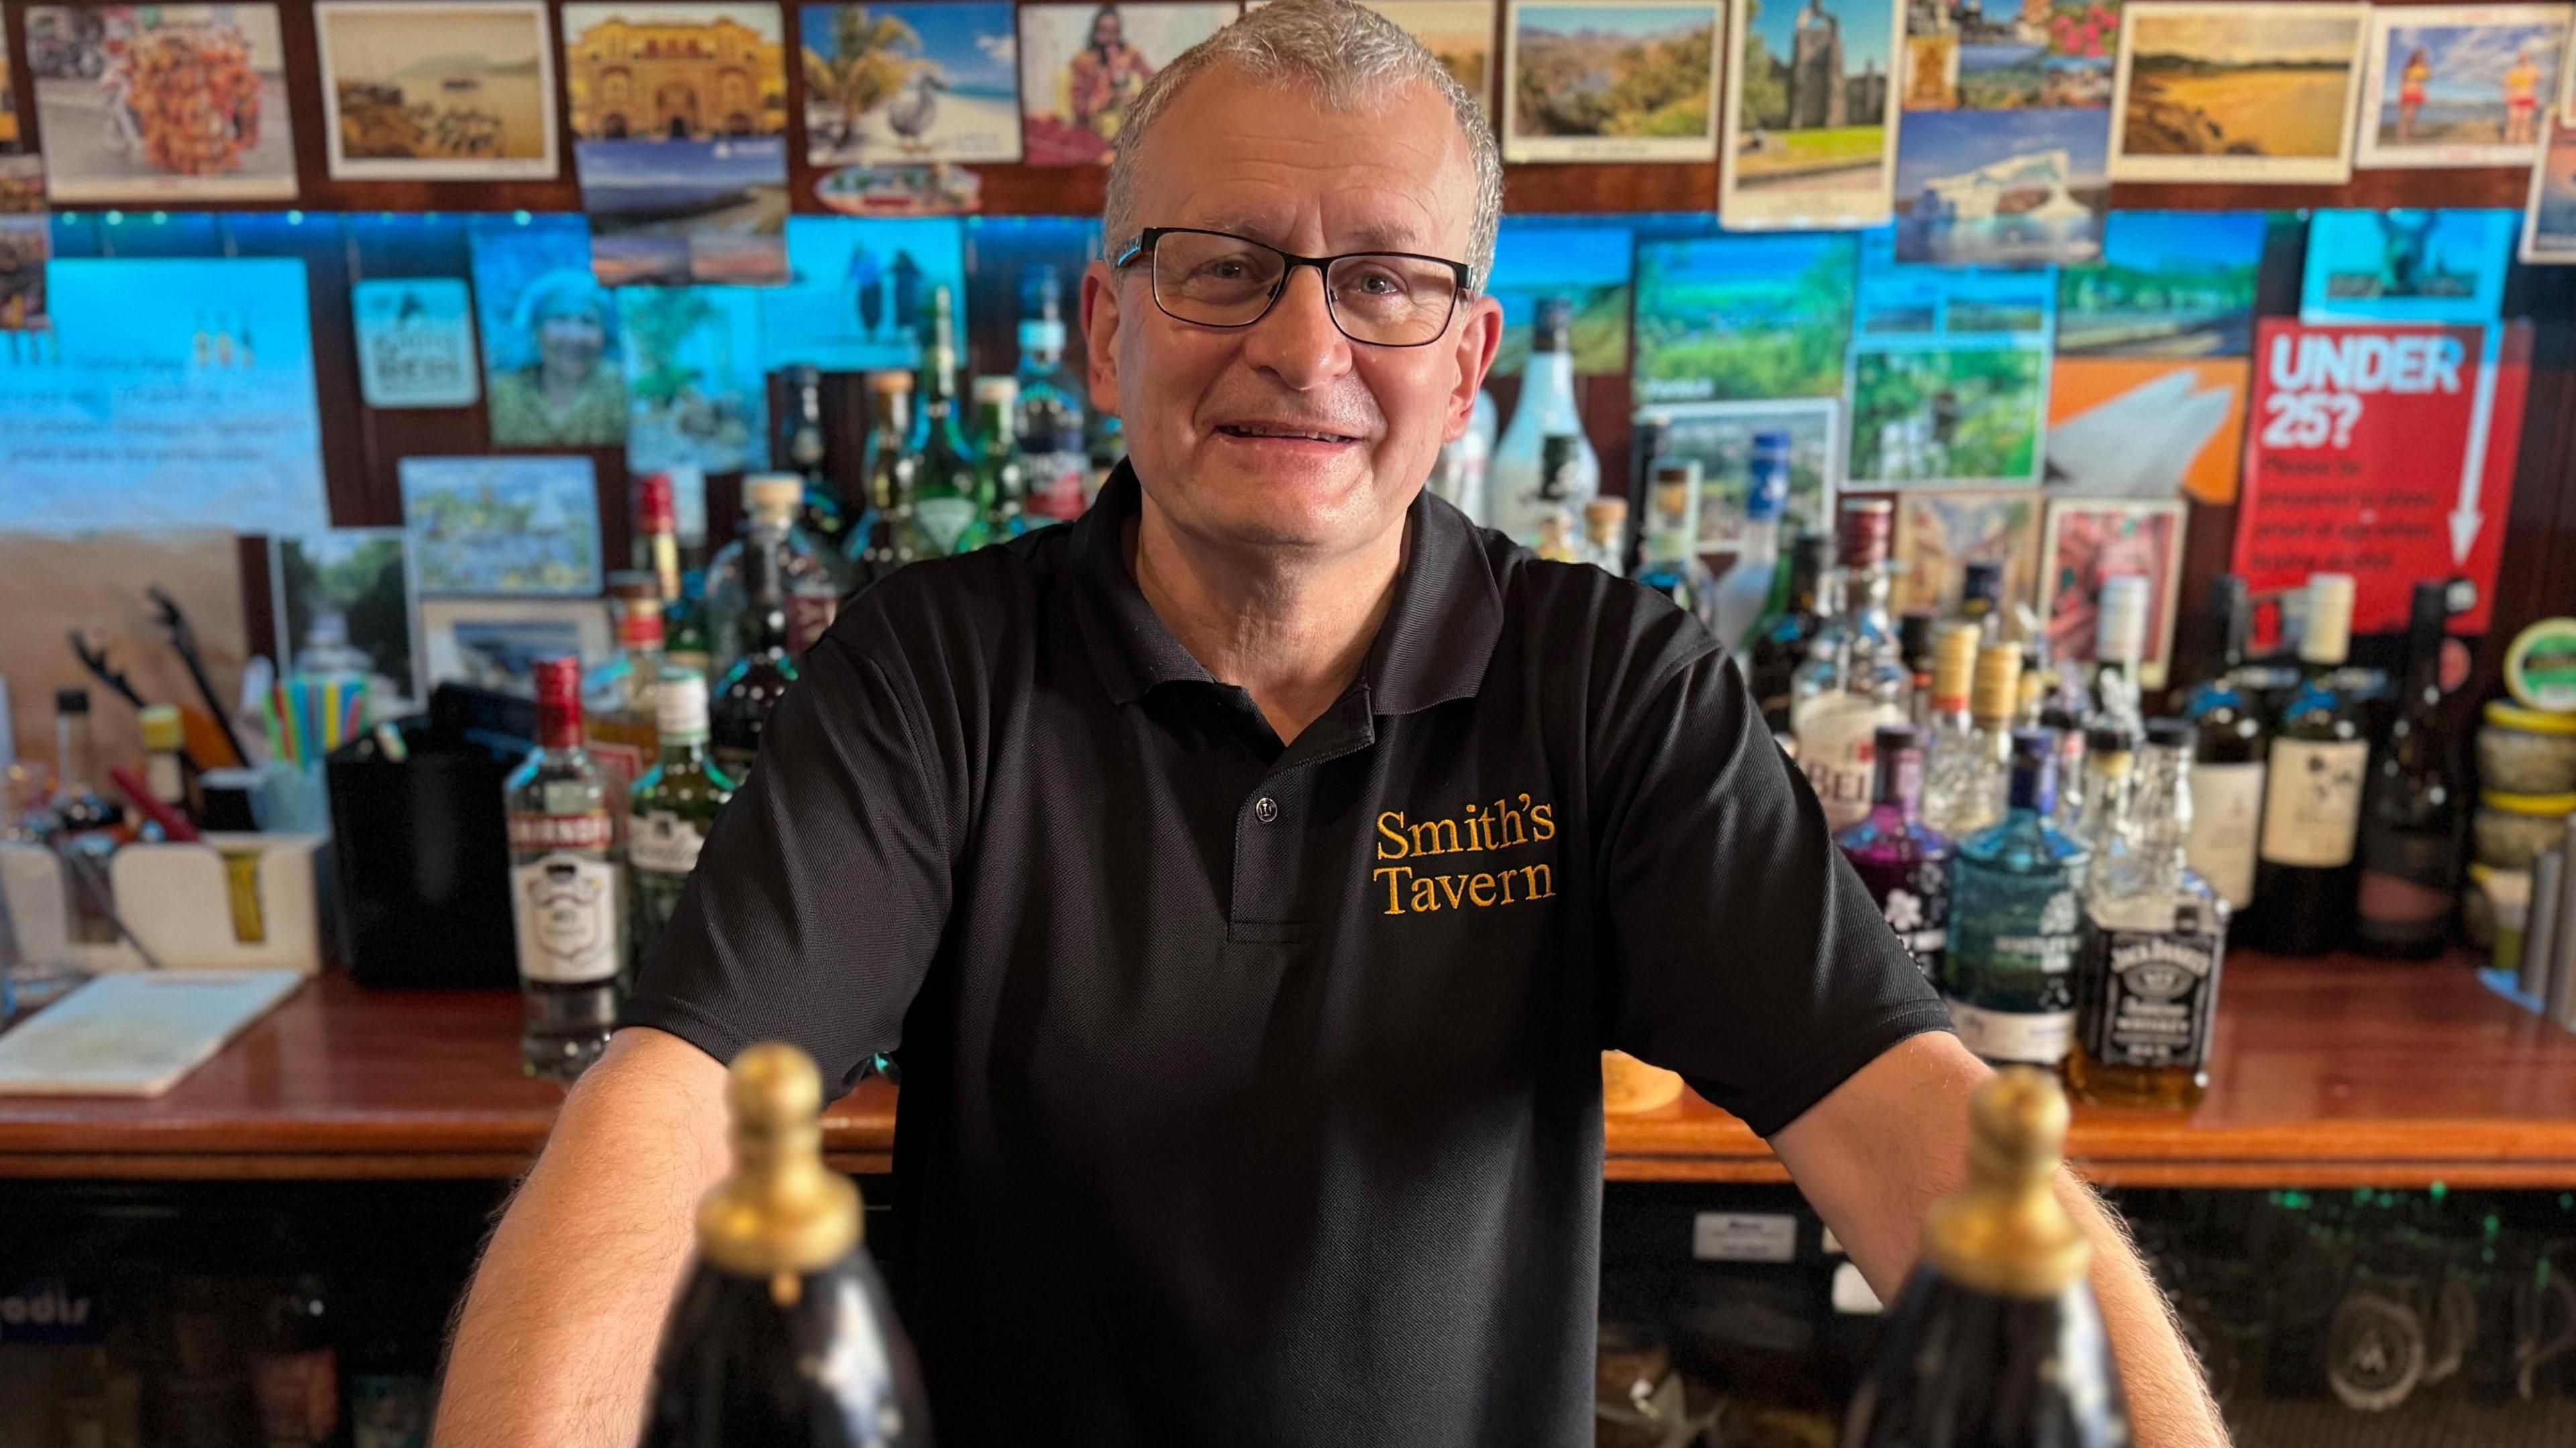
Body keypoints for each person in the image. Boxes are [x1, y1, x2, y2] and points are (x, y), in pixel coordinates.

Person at [435, 4, 2231, 1446]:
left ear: (1467, 362)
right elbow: (665, 1109)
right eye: (1224, 264)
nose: (1304, 345)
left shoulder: (1611, 683)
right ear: (1102, 328)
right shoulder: (934, 666)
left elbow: (1912, 1115)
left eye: (1385, 279)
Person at [484, 268, 628, 447]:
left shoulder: (625, 390)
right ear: (537, 331)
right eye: (560, 319)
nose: (575, 337)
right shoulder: (502, 394)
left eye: (587, 322)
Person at [1067, 4, 1153, 146]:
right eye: (1104, 31)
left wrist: (1135, 98)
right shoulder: (1084, 61)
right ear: (1094, 33)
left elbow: (1152, 81)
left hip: (1132, 120)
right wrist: (1106, 99)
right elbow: (1079, 107)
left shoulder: (1130, 55)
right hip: (1099, 126)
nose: (1109, 38)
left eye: (1114, 32)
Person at [2504, 45, 2542, 146]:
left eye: (2526, 57)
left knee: (2526, 121)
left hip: (2528, 98)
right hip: (2515, 98)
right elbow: (2506, 85)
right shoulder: (2513, 71)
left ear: (2528, 58)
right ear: (2519, 59)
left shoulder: (2533, 69)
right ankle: (2509, 141)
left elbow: (2538, 81)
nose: (2524, 59)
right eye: (2522, 57)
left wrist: (2534, 74)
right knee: (2513, 120)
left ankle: (2523, 141)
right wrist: (2507, 96)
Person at [2398, 46, 2430, 143]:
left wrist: (2424, 95)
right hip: (2408, 92)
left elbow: (2425, 79)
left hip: (2417, 93)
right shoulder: (2408, 68)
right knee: (2407, 116)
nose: (2421, 58)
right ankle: (2403, 137)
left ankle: (2408, 136)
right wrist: (2401, 94)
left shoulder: (2423, 69)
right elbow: (2402, 81)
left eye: (2422, 56)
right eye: (2419, 56)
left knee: (2412, 117)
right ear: (2415, 56)